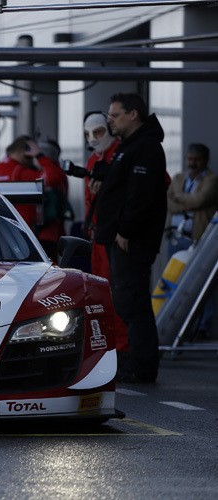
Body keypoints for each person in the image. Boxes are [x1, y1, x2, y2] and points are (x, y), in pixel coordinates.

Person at [93, 92, 168, 383]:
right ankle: (133, 360)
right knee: (126, 302)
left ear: (133, 114)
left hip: (130, 239)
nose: (110, 120)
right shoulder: (129, 145)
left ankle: (142, 365)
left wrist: (126, 230)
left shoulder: (146, 147)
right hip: (119, 236)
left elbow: (142, 195)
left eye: (115, 115)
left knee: (133, 303)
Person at [80, 111, 128, 353]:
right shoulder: (93, 160)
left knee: (118, 294)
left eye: (98, 132)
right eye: (89, 133)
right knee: (101, 294)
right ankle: (109, 345)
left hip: (117, 236)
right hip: (98, 235)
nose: (93, 138)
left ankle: (122, 346)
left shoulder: (123, 154)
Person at [165, 143, 218, 336]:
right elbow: (169, 203)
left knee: (201, 284)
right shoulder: (179, 178)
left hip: (198, 239)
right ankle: (175, 325)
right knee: (174, 281)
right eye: (190, 159)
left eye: (196, 159)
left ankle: (202, 326)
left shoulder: (212, 180)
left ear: (205, 160)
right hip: (175, 238)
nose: (192, 163)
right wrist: (186, 202)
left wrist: (180, 198)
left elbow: (201, 200)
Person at [0, 136, 66, 257]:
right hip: (24, 236)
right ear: (25, 154)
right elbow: (53, 177)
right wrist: (40, 156)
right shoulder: (21, 172)